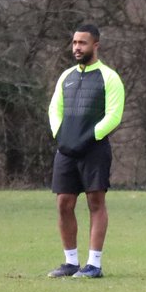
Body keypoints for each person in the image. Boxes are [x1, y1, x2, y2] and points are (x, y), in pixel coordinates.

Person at [47, 23, 125, 278]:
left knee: (95, 202)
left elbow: (114, 116)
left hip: (94, 149)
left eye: (82, 43)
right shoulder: (66, 76)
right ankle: (70, 262)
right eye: (74, 43)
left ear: (95, 45)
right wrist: (60, 135)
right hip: (66, 150)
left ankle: (94, 264)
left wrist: (90, 137)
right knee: (63, 203)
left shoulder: (109, 77)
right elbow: (54, 109)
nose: (77, 47)